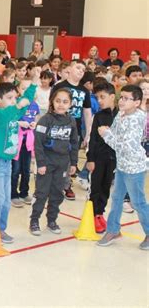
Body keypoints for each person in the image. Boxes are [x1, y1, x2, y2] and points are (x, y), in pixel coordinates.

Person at [0, 66, 39, 243]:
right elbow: (11, 112)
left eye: (15, 97)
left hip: (6, 163)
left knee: (5, 201)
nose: (14, 101)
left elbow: (25, 101)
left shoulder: (13, 110)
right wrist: (19, 104)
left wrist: (34, 83)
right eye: (10, 98)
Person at [97, 85, 149, 250]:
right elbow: (115, 133)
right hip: (122, 165)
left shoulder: (137, 119)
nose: (122, 101)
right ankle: (113, 230)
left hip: (134, 168)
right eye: (122, 97)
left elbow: (124, 146)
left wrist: (106, 135)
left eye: (127, 98)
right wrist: (108, 133)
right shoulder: (121, 114)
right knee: (117, 199)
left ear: (137, 102)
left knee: (138, 202)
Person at [29, 88, 79, 235]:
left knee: (57, 192)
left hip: (63, 163)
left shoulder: (71, 121)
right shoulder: (45, 120)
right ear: (52, 101)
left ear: (70, 104)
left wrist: (74, 163)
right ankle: (34, 220)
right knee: (42, 192)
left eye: (65, 102)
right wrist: (41, 163)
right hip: (47, 163)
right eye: (58, 101)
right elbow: (38, 143)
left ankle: (52, 220)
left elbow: (74, 143)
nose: (61, 105)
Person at [51, 60, 92, 200]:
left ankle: (66, 185)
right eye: (78, 67)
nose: (81, 71)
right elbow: (51, 106)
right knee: (55, 156)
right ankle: (51, 183)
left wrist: (88, 132)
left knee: (70, 159)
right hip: (58, 127)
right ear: (69, 68)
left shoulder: (84, 90)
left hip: (74, 129)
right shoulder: (60, 86)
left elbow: (87, 112)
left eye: (83, 69)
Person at [86, 81, 118, 233]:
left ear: (112, 96)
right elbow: (93, 139)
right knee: (96, 187)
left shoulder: (121, 115)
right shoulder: (98, 116)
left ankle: (100, 214)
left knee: (106, 187)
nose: (99, 100)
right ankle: (93, 215)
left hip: (113, 159)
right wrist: (90, 159)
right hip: (98, 158)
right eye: (97, 97)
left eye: (102, 97)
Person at [11, 78, 40, 208]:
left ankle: (24, 192)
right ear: (18, 90)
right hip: (16, 141)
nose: (27, 92)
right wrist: (19, 124)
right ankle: (13, 194)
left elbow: (37, 119)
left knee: (26, 168)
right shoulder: (16, 104)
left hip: (28, 141)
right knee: (15, 169)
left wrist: (35, 124)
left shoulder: (35, 105)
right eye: (23, 88)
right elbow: (10, 121)